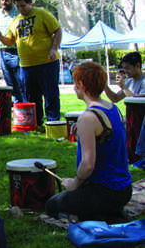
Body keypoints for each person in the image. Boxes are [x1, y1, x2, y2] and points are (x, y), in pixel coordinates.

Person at [45, 62, 132, 223]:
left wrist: (75, 184)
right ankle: (110, 212)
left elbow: (88, 164)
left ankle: (104, 216)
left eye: (75, 83)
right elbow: (108, 140)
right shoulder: (113, 108)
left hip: (105, 191)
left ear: (82, 85)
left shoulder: (88, 118)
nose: (73, 87)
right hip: (125, 189)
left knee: (52, 206)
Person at [0, 0, 62, 129]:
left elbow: (58, 30)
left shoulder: (42, 14)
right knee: (31, 97)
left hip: (47, 62)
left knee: (50, 94)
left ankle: (53, 122)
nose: (20, 9)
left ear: (30, 3)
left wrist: (54, 49)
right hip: (26, 65)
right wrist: (0, 37)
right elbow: (10, 42)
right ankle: (36, 123)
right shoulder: (16, 21)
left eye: (23, 6)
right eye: (17, 6)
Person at [104, 52, 145, 169]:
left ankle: (139, 156)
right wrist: (105, 86)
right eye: (124, 68)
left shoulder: (143, 81)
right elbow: (115, 98)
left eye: (128, 68)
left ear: (137, 65)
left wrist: (124, 87)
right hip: (133, 119)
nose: (126, 71)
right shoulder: (130, 82)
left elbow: (138, 101)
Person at [0, 0, 25, 103]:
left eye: (6, 0)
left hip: (16, 52)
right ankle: (17, 107)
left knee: (20, 82)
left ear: (12, 1)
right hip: (2, 52)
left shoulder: (18, 14)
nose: (4, 2)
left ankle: (25, 106)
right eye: (2, 0)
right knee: (9, 83)